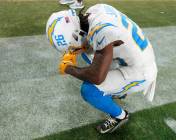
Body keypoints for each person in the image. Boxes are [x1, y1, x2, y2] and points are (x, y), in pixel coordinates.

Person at [46, 4, 157, 134]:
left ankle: (120, 116)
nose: (71, 48)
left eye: (71, 45)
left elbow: (97, 77)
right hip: (137, 57)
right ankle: (118, 89)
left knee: (89, 90)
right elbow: (102, 42)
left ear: (75, 34)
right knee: (87, 54)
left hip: (142, 72)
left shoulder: (102, 32)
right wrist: (80, 48)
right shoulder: (95, 10)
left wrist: (68, 69)